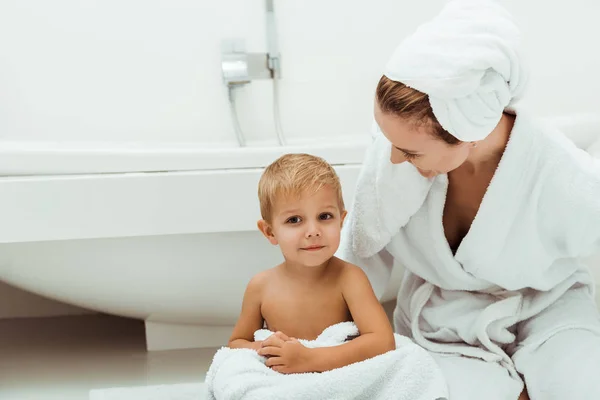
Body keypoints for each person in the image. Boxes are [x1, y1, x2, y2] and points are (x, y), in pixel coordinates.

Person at [336, 1, 600, 399]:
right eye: (389, 142)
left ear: (468, 130)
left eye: (411, 153)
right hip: (444, 320)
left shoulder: (561, 175)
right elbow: (360, 252)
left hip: (551, 311)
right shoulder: (397, 147)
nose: (392, 158)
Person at [227, 153, 396, 374]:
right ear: (270, 232)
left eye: (325, 216)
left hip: (338, 374)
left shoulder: (349, 278)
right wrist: (272, 350)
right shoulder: (261, 287)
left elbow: (382, 341)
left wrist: (310, 358)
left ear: (341, 221)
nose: (313, 231)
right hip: (285, 377)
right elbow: (237, 343)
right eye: (294, 220)